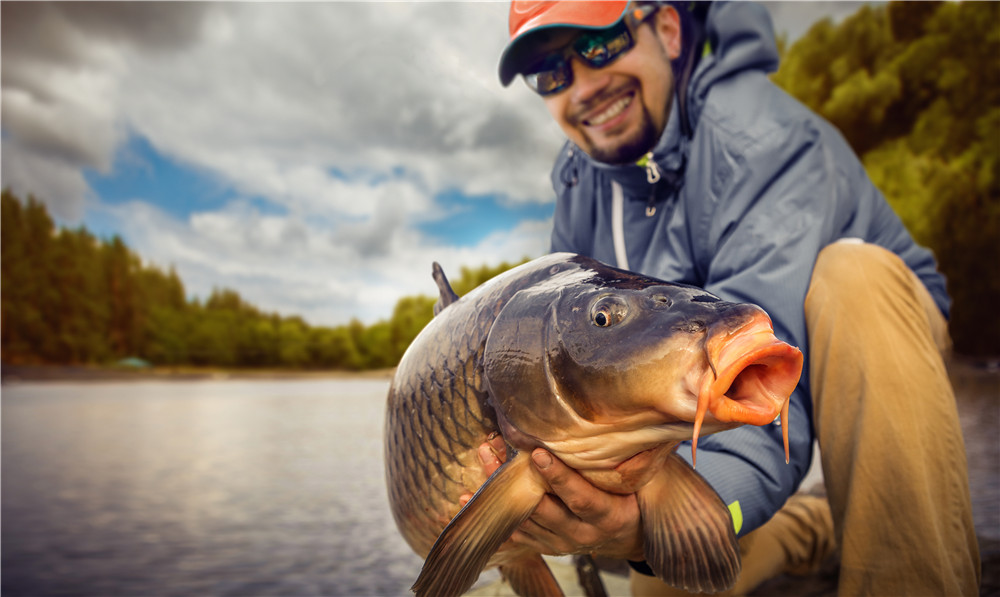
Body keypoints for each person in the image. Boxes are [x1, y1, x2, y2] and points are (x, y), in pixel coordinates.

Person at [479, 1, 982, 594]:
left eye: (600, 44)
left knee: (854, 276)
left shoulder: (757, 133)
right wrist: (630, 521)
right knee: (668, 567)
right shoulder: (577, 183)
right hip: (703, 362)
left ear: (665, 30)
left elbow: (748, 379)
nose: (584, 86)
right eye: (550, 72)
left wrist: (657, 516)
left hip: (873, 333)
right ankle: (808, 527)